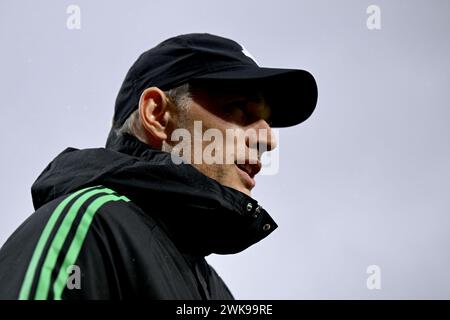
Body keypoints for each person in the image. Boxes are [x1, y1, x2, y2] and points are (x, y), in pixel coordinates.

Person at [0, 33, 317, 299]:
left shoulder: (216, 290)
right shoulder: (93, 225)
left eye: (268, 121)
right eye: (239, 108)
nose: (269, 139)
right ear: (157, 115)